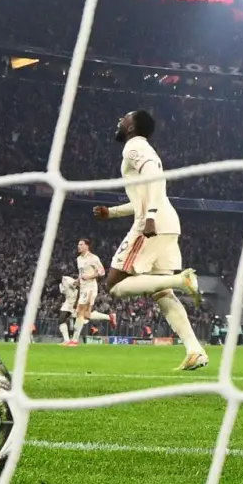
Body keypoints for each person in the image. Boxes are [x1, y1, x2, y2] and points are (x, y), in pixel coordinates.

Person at [92, 109, 207, 371]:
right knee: (161, 293)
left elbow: (156, 178)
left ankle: (181, 280)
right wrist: (112, 213)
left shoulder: (133, 147)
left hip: (153, 224)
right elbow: (141, 200)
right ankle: (194, 350)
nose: (120, 120)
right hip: (168, 223)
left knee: (114, 284)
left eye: (125, 117)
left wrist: (151, 216)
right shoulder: (142, 148)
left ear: (132, 127)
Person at [69, 238, 114, 346]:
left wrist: (89, 276)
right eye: (78, 244)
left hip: (90, 288)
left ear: (87, 246)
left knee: (79, 312)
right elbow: (81, 274)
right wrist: (77, 281)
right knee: (86, 315)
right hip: (83, 288)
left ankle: (74, 340)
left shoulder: (93, 258)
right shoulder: (78, 259)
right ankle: (110, 317)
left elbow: (102, 271)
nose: (78, 246)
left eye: (81, 244)